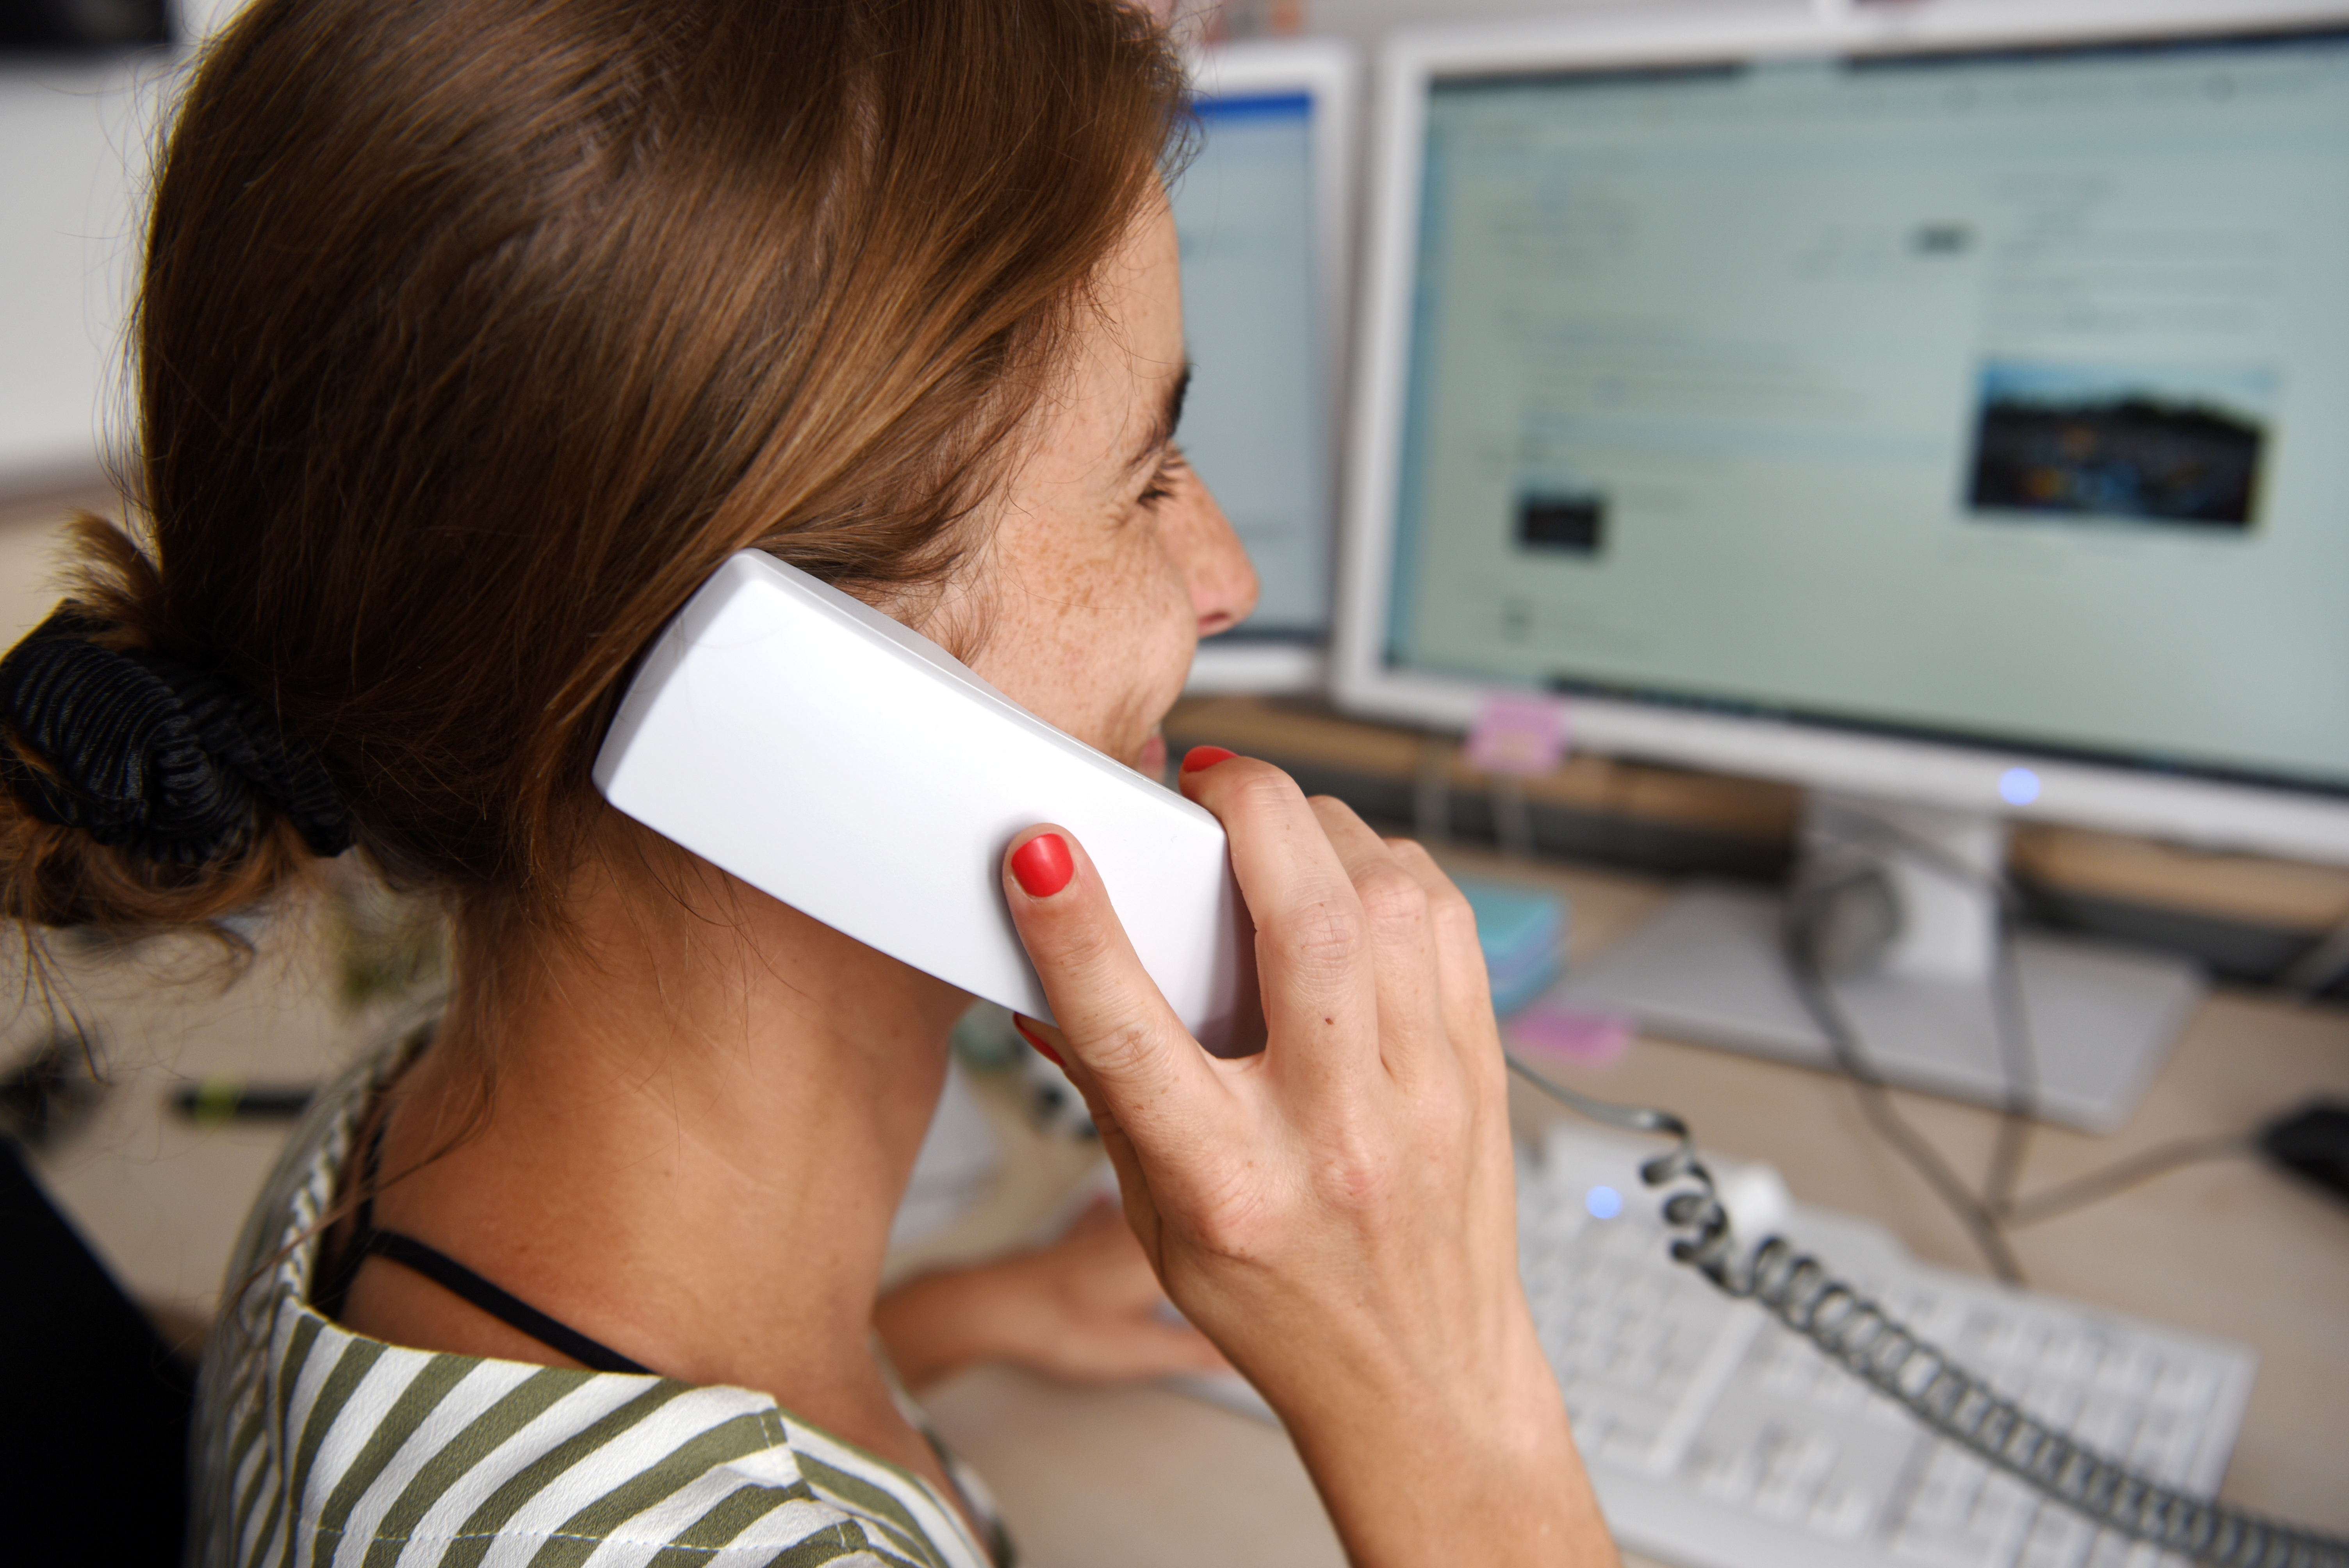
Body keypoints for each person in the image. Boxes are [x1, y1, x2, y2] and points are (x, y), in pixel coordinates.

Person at [0, 2, 1615, 1563]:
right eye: (1144, 479)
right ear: (774, 694)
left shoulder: (416, 1145)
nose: (1227, 575)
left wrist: (962, 1317)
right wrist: (1440, 1392)